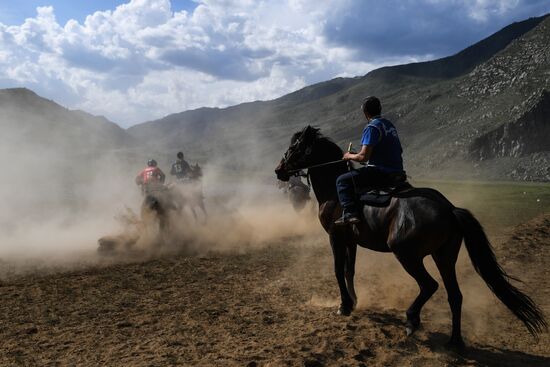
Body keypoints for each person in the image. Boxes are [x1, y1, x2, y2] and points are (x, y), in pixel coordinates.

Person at [335, 96, 405, 225]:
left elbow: (363, 157)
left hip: (379, 173)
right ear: (380, 109)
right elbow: (397, 150)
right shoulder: (389, 125)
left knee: (342, 181)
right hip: (398, 172)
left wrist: (349, 156)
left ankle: (350, 213)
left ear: (365, 112)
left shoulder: (372, 127)